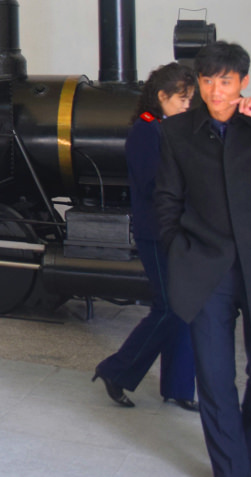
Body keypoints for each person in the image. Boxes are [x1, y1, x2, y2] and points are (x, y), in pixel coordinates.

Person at [154, 42, 251, 477]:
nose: (215, 90)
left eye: (225, 80)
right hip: (206, 269)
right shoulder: (177, 131)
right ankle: (234, 469)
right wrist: (175, 248)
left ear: (243, 81)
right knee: (216, 382)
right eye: (206, 81)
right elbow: (166, 197)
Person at [93, 62, 198, 411]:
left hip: (181, 231)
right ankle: (116, 370)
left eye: (190, 98)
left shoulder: (175, 128)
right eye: (182, 98)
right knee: (169, 308)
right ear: (161, 96)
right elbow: (154, 185)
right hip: (157, 233)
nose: (188, 104)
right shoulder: (145, 131)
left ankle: (180, 387)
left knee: (185, 308)